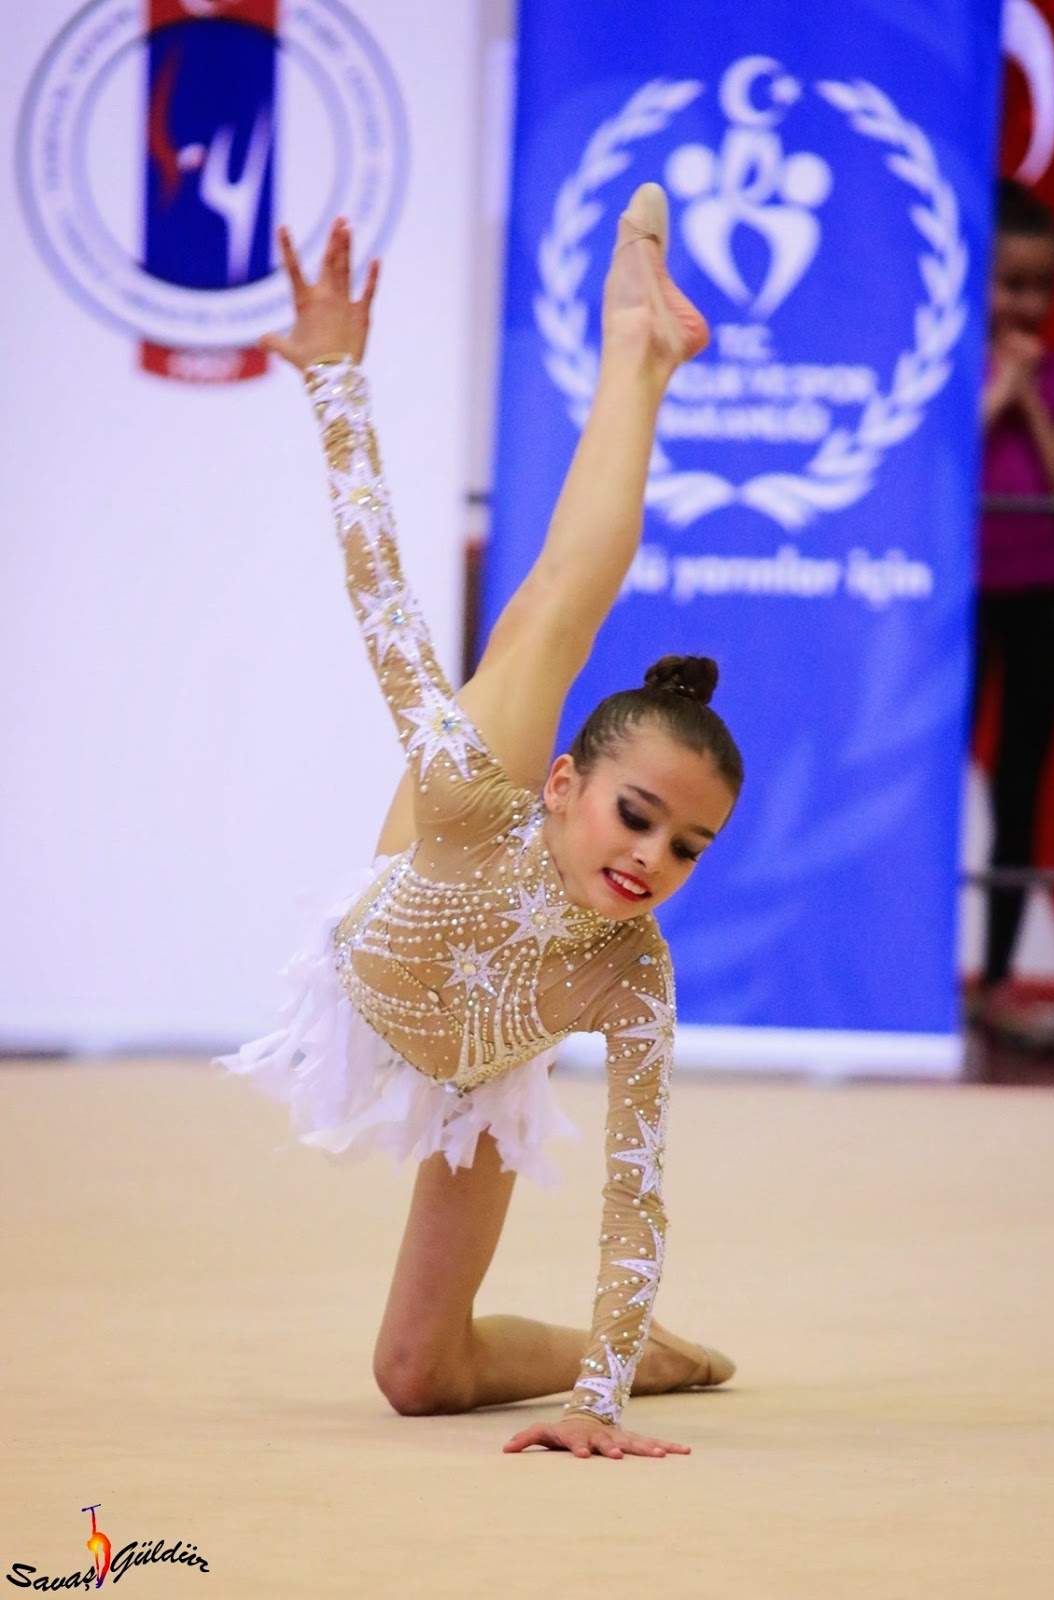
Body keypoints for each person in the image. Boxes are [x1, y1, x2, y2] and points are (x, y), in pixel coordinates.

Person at [222, 184, 743, 1459]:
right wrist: (335, 381)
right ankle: (639, 345)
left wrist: (601, 1392)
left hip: (483, 1061)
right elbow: (383, 595)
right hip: (459, 863)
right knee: (548, 614)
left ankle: (649, 1356)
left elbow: (635, 1191)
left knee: (420, 1373)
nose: (652, 858)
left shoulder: (633, 971)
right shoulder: (473, 794)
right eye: (637, 817)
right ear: (566, 783)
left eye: (687, 846)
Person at [972, 178, 1054, 1026]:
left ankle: (1000, 977)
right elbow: (936, 470)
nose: (1026, 303)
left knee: (1020, 787)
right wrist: (996, 395)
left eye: (1040, 286)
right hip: (965, 602)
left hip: (1045, 599)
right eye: (1011, 283)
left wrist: (1035, 404)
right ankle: (914, 969)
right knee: (933, 779)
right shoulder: (952, 367)